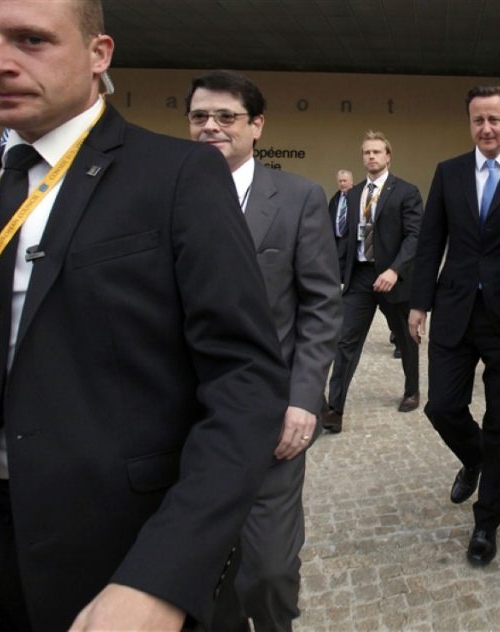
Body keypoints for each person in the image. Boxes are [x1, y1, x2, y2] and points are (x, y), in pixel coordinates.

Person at [0, 1, 290, 630]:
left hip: (115, 554)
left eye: (30, 39)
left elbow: (244, 382)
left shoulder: (178, 175)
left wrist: (163, 577)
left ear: (98, 54)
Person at [186, 70, 342, 630]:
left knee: (270, 571)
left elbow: (323, 306)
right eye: (200, 117)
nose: (211, 127)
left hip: (271, 417)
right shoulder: (166, 195)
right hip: (189, 420)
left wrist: (305, 399)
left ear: (256, 126)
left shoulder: (298, 198)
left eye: (226, 117)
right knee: (204, 571)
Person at [408, 86, 500, 566]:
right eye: (478, 120)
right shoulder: (448, 172)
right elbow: (431, 240)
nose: (486, 128)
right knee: (442, 406)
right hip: (455, 311)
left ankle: (486, 521)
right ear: (469, 123)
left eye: (494, 119)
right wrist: (419, 303)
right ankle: (475, 458)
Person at [323, 131, 423, 432]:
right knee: (345, 342)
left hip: (394, 277)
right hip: (361, 278)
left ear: (388, 156)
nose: (371, 157)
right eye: (367, 152)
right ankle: (334, 408)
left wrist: (395, 270)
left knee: (406, 339)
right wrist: (338, 273)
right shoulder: (352, 195)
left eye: (377, 152)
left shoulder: (406, 192)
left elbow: (415, 236)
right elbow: (347, 239)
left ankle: (412, 390)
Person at [329, 168, 355, 275]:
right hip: (337, 242)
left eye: (345, 180)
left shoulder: (358, 197)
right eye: (340, 181)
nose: (342, 183)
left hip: (351, 242)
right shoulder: (335, 199)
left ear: (351, 182)